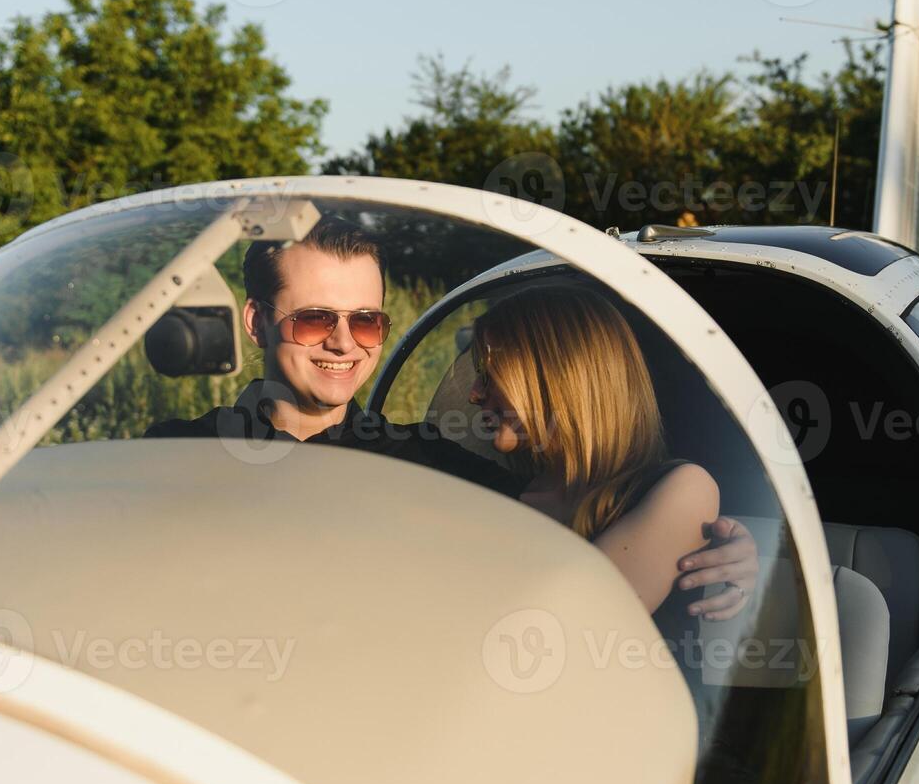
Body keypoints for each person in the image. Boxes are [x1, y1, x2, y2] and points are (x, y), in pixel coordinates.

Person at [147, 216, 755, 618]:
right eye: (313, 317)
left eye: (365, 321)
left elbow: (580, 534)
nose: (342, 343)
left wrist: (732, 551)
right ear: (255, 323)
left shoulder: (445, 470)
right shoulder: (172, 458)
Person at [467, 286, 723, 617]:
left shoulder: (683, 490)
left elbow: (576, 626)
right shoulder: (500, 492)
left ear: (558, 375)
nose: (474, 394)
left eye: (489, 374)